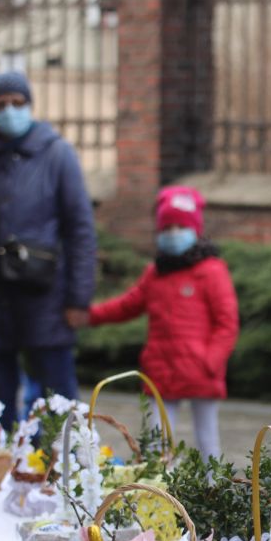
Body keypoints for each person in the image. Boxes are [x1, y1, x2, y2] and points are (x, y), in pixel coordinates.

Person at [0, 72, 96, 429]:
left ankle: (59, 472)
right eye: (0, 104)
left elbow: (80, 229)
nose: (9, 110)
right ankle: (2, 474)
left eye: (17, 102)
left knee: (58, 404)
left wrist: (78, 297)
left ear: (29, 104)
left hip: (46, 295)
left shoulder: (57, 155)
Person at [77, 187, 237, 459]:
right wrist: (89, 315)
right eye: (167, 227)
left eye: (180, 226)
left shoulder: (211, 271)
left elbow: (227, 322)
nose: (173, 233)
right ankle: (159, 494)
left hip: (201, 372)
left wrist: (211, 361)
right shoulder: (155, 273)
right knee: (156, 444)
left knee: (208, 442)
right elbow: (128, 305)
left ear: (195, 229)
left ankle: (213, 492)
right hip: (160, 370)